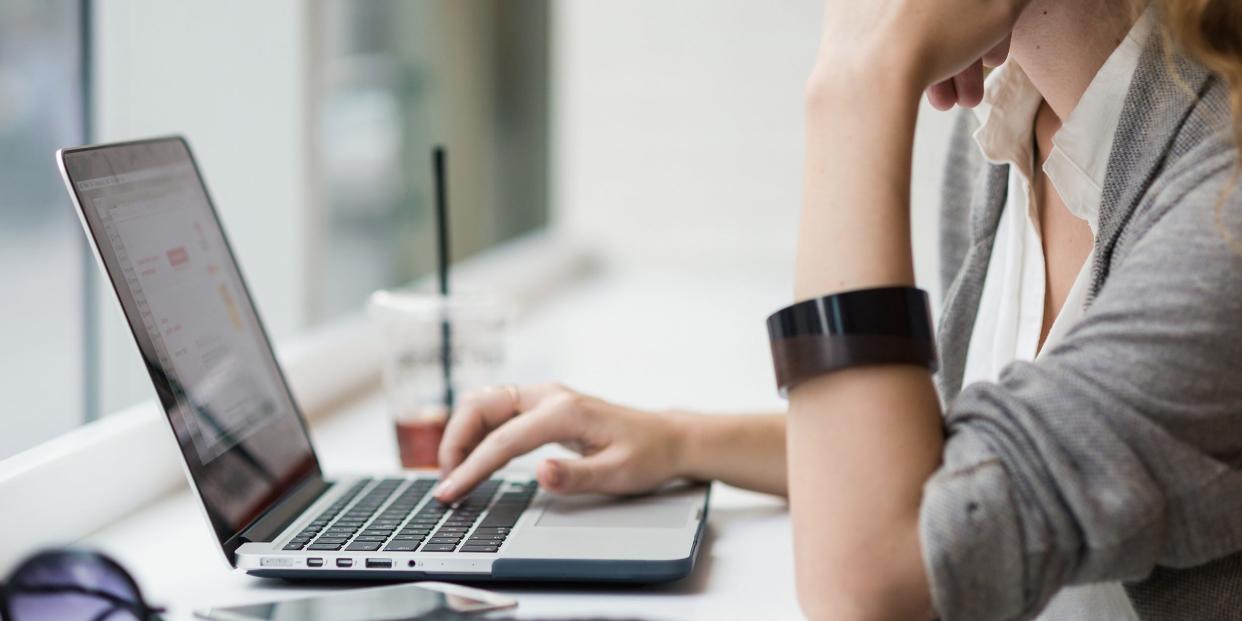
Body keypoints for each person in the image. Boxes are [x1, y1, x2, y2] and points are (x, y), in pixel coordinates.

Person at [429, 0, 1242, 618]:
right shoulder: (1010, 125)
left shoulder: (1223, 207)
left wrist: (859, 76)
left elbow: (876, 581)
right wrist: (680, 438)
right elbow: (970, 477)